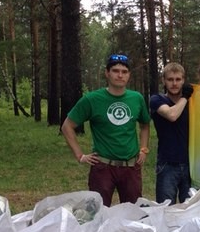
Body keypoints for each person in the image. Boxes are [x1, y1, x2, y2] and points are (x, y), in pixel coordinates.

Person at [61, 54, 151, 207]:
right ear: (107, 73)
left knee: (133, 214)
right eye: (115, 71)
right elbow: (67, 126)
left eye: (124, 72)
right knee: (98, 213)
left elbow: (145, 125)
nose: (120, 75)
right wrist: (80, 155)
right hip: (103, 167)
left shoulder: (137, 98)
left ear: (129, 75)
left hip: (130, 166)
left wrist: (143, 149)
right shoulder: (92, 99)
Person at [150, 62, 194, 205]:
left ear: (183, 80)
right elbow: (172, 115)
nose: (174, 83)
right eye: (170, 79)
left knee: (191, 210)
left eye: (178, 79)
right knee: (166, 209)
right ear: (163, 81)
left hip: (191, 164)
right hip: (167, 164)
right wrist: (185, 97)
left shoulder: (193, 103)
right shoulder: (157, 99)